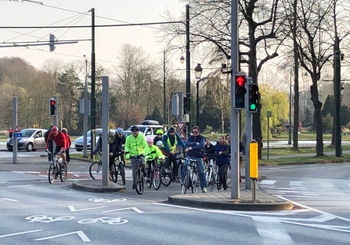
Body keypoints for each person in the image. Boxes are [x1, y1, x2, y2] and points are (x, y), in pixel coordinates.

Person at [182, 126, 207, 193]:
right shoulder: (190, 137)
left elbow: (201, 145)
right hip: (190, 155)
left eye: (196, 132)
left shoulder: (202, 138)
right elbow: (187, 144)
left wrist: (191, 148)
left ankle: (204, 186)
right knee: (184, 165)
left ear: (199, 132)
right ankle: (183, 181)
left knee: (201, 171)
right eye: (193, 132)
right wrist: (195, 143)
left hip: (198, 156)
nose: (194, 133)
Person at [124, 125, 148, 190]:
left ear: (138, 131)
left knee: (143, 163)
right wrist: (128, 153)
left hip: (140, 154)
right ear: (131, 132)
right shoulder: (128, 138)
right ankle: (134, 183)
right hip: (133, 155)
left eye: (136, 131)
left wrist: (145, 152)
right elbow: (126, 146)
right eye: (133, 131)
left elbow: (145, 145)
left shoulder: (141, 137)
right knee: (134, 170)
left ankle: (143, 171)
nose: (135, 132)